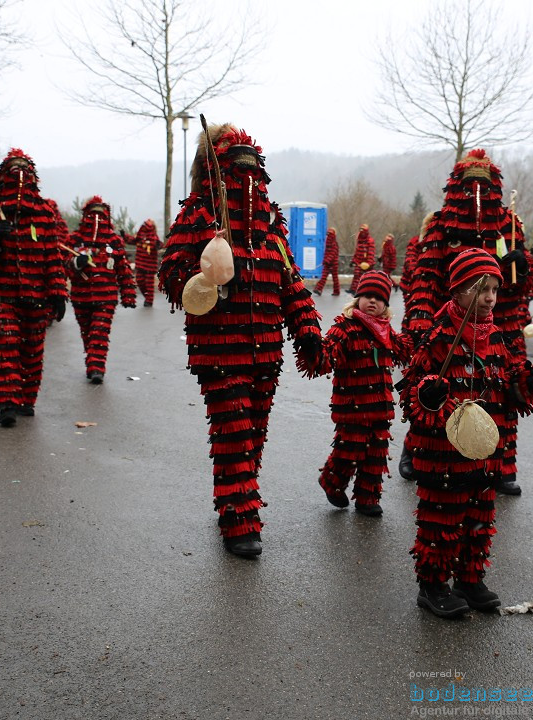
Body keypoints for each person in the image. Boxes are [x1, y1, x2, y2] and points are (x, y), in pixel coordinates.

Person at [157, 123, 323, 558]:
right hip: (218, 351)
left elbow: (289, 283)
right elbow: (171, 273)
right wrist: (204, 279)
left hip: (266, 351)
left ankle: (235, 497)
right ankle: (240, 520)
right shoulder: (198, 214)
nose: (247, 177)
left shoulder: (271, 225)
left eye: (254, 167)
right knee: (234, 432)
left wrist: (306, 328)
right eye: (237, 166)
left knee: (254, 434)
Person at [401, 248, 533, 618]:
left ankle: (469, 578)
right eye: (480, 289)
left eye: (494, 290)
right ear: (457, 292)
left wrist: (524, 384)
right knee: (442, 520)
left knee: (479, 519)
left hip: (484, 453)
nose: (489, 298)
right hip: (444, 455)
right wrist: (428, 394)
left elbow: (511, 382)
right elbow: (411, 393)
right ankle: (432, 586)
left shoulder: (496, 336)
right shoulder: (438, 337)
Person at [400, 149, 533, 498]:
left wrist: (522, 267)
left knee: (500, 395)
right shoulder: (442, 224)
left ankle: (501, 463)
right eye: (471, 183)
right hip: (451, 319)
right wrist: (421, 323)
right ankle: (416, 448)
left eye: (484, 184)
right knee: (437, 389)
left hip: (499, 322)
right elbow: (425, 279)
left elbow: (519, 288)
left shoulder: (509, 226)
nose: (478, 191)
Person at [0, 148, 69, 427]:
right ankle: (6, 403)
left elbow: (52, 256)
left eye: (25, 170)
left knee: (31, 350)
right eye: (14, 170)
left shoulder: (43, 211)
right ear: (3, 176)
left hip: (36, 297)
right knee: (3, 347)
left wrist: (58, 293)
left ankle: (27, 398)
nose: (20, 176)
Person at [313, 271, 412, 516]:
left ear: (385, 306)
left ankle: (368, 497)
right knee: (349, 450)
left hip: (380, 407)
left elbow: (404, 352)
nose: (372, 301)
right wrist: (313, 345)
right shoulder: (345, 327)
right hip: (352, 406)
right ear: (357, 299)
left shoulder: (386, 331)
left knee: (376, 454)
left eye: (378, 299)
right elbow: (327, 355)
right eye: (366, 295)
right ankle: (332, 482)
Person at [66, 196, 136, 384]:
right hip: (81, 296)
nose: (96, 218)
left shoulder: (113, 241)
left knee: (100, 332)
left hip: (106, 297)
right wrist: (75, 262)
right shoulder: (75, 239)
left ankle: (96, 367)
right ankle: (92, 360)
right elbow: (62, 265)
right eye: (92, 213)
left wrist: (128, 293)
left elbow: (123, 268)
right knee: (87, 332)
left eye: (100, 213)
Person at [132, 218, 162, 307]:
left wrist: (157, 245)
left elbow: (160, 244)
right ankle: (147, 296)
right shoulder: (139, 237)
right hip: (140, 264)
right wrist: (124, 235)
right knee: (139, 281)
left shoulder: (154, 238)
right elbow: (131, 240)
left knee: (149, 285)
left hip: (150, 265)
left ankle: (149, 301)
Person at [313, 226, 341, 296]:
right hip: (327, 263)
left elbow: (333, 253)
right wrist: (326, 260)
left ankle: (336, 291)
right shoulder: (328, 243)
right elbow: (328, 253)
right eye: (328, 234)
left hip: (333, 263)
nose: (328, 235)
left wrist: (326, 260)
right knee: (324, 277)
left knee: (334, 279)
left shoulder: (333, 243)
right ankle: (318, 289)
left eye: (330, 234)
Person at [350, 224, 375, 293]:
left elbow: (371, 253)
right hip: (359, 262)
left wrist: (369, 263)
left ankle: (365, 290)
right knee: (357, 275)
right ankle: (353, 289)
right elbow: (357, 252)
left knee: (366, 278)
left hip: (366, 263)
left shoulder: (370, 241)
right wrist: (353, 261)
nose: (361, 232)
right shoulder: (359, 240)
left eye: (363, 230)